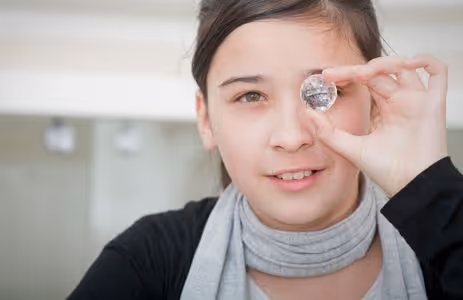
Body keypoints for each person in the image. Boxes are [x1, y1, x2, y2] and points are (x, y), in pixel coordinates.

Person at [67, 0, 463, 299]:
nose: (291, 137)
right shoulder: (146, 261)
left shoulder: (440, 246)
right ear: (206, 120)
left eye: (323, 93)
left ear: (374, 104)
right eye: (251, 95)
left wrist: (431, 191)